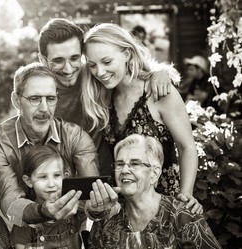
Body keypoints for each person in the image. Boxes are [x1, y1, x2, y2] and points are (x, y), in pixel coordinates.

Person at [81, 23, 202, 214]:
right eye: (93, 65)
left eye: (107, 61)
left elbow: (186, 147)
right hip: (120, 210)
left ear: (127, 54)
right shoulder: (102, 99)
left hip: (162, 206)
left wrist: (185, 196)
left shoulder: (159, 92)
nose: (100, 72)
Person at [0, 62, 117, 228]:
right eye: (35, 99)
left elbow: (91, 197)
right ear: (16, 101)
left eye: (51, 99)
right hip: (15, 239)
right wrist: (43, 211)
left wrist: (98, 208)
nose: (44, 108)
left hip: (67, 237)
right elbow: (10, 200)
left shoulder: (76, 137)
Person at [38, 18, 175, 176]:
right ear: (43, 60)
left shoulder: (94, 76)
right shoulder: (37, 94)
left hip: (108, 182)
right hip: (57, 184)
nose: (68, 69)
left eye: (75, 58)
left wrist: (158, 73)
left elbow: (128, 71)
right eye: (58, 60)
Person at [87, 134, 226, 249]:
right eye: (120, 164)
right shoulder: (106, 218)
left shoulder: (182, 215)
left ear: (154, 173)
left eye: (135, 164)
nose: (124, 170)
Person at [12, 145, 107, 249]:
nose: (51, 184)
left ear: (65, 177)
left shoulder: (74, 211)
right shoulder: (25, 224)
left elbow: (95, 217)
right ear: (28, 181)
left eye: (56, 175)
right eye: (43, 177)